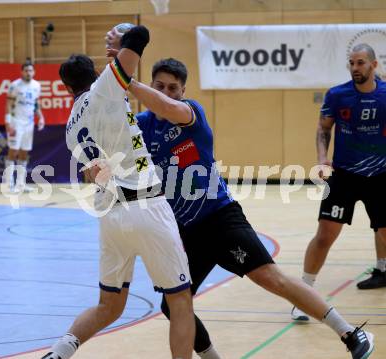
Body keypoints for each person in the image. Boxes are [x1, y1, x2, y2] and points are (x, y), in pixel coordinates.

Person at [100, 33, 374, 356]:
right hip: (183, 232)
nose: (165, 92)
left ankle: (349, 333)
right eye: (159, 86)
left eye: (173, 88)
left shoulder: (191, 113)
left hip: (219, 218)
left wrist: (127, 79)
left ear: (183, 92)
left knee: (272, 279)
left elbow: (164, 105)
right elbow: (112, 112)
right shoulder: (143, 126)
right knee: (174, 305)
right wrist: (119, 64)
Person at [41, 25, 195, 359]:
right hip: (145, 205)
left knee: (109, 305)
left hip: (110, 216)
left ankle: (57, 353)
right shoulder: (105, 86)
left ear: (67, 88)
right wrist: (119, 41)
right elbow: (140, 34)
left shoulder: (69, 128)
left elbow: (95, 174)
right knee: (180, 299)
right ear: (96, 73)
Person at [291, 43, 386, 322]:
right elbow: (323, 128)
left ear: (373, 65)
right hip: (344, 175)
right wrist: (322, 158)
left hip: (381, 176)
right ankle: (303, 295)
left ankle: (382, 269)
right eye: (351, 63)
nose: (355, 68)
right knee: (324, 235)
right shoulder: (337, 95)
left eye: (360, 63)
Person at [3, 60, 45, 192]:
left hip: (29, 123)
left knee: (24, 152)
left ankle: (20, 184)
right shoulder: (14, 85)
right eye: (26, 70)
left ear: (34, 72)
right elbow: (8, 104)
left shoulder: (37, 86)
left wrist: (41, 117)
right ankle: (8, 183)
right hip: (16, 123)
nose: (28, 73)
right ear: (22, 72)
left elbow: (36, 103)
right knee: (13, 151)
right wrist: (8, 122)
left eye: (31, 70)